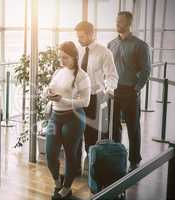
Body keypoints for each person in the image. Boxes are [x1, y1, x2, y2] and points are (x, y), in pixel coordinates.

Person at [45, 41, 91, 199]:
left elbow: (85, 102)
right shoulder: (59, 71)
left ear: (74, 57)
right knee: (50, 154)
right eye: (60, 57)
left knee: (70, 155)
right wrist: (48, 97)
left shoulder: (82, 76)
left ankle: (66, 187)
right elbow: (50, 89)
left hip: (74, 118)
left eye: (65, 58)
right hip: (55, 116)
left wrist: (62, 100)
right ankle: (57, 182)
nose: (61, 61)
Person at [107, 11, 151, 172]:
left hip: (130, 91)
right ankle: (117, 155)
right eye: (117, 21)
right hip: (113, 90)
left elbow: (146, 70)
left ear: (129, 23)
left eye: (121, 21)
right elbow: (107, 67)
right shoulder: (111, 44)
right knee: (114, 126)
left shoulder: (140, 45)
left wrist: (137, 88)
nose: (117, 23)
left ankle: (134, 159)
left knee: (133, 127)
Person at [74, 21, 118, 174]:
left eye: (82, 36)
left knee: (91, 133)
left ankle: (90, 161)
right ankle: (76, 166)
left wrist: (109, 90)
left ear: (92, 33)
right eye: (77, 36)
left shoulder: (104, 52)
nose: (79, 39)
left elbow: (112, 76)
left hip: (95, 98)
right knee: (76, 132)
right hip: (78, 97)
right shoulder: (78, 51)